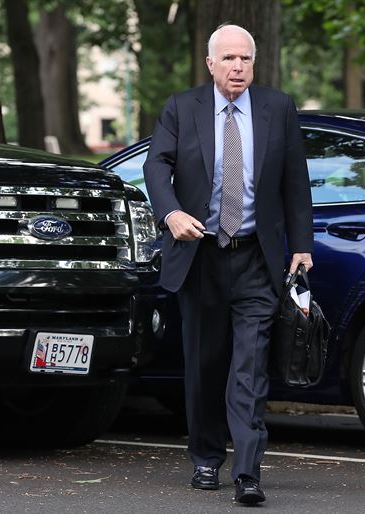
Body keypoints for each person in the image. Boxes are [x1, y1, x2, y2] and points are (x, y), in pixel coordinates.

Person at [143, 23, 313, 505]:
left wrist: (302, 243)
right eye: (230, 59)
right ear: (211, 62)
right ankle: (204, 457)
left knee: (251, 367)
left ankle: (248, 471)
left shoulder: (277, 108)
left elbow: (295, 179)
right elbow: (156, 165)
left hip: (256, 257)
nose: (239, 67)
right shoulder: (183, 106)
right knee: (205, 365)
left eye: (246, 59)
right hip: (201, 256)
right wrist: (171, 212)